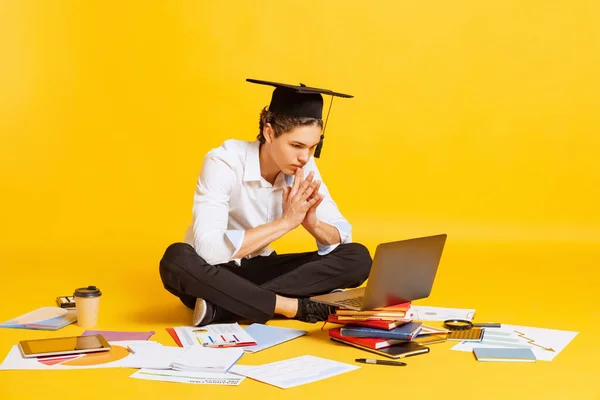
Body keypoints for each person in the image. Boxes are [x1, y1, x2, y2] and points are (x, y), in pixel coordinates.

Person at [159, 79, 372, 326]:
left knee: (358, 257)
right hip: (214, 272)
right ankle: (293, 307)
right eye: (296, 145)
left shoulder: (304, 166)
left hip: (259, 269)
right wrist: (285, 223)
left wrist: (313, 224)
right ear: (269, 132)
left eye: (313, 147)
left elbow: (341, 235)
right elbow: (208, 250)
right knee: (175, 260)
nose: (305, 157)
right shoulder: (224, 162)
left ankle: (223, 307)